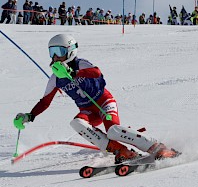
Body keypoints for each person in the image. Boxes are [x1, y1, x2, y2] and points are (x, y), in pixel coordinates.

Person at [14, 34, 179, 164]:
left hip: (104, 102)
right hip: (87, 110)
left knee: (113, 131)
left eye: (60, 52)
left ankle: (158, 147)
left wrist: (74, 73)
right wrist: (30, 115)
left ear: (70, 51)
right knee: (76, 123)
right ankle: (120, 150)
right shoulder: (55, 79)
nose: (56, 57)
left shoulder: (80, 64)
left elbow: (96, 72)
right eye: (52, 52)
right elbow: (45, 101)